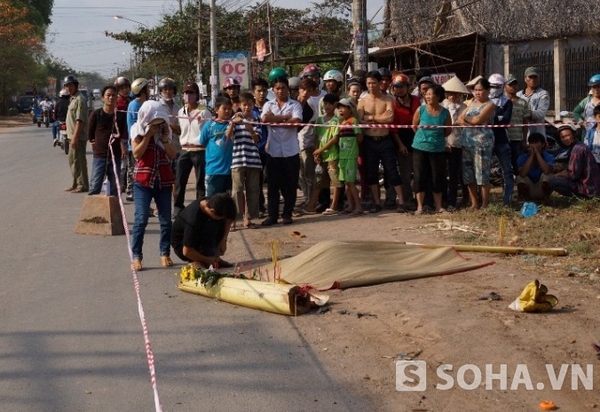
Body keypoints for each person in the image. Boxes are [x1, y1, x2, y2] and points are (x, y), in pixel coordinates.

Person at [129, 101, 178, 271]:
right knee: (141, 219)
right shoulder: (137, 129)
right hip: (143, 180)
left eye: (159, 120)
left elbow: (172, 155)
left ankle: (165, 253)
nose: (157, 124)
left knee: (166, 221)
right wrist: (148, 135)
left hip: (163, 180)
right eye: (153, 120)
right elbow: (136, 154)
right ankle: (136, 256)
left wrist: (164, 139)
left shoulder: (166, 131)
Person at [357, 70, 407, 213]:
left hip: (385, 140)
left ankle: (401, 202)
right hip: (369, 141)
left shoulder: (387, 99)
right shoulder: (362, 101)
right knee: (371, 173)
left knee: (392, 171)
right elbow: (360, 121)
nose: (371, 86)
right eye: (368, 83)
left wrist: (370, 117)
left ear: (380, 83)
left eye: (373, 82)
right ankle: (377, 202)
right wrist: (377, 117)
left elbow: (389, 119)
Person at [260, 76, 303, 226]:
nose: (280, 91)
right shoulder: (268, 105)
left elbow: (296, 122)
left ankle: (287, 214)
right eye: (277, 88)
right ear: (273, 90)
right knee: (272, 186)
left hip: (291, 151)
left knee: (290, 185)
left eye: (283, 88)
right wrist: (285, 118)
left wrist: (276, 120)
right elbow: (265, 120)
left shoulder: (295, 105)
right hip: (273, 151)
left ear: (288, 89)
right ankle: (272, 215)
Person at [457, 77, 496, 210]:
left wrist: (467, 119)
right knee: (468, 174)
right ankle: (474, 203)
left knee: (482, 174)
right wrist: (469, 119)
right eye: (476, 90)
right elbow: (459, 119)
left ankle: (485, 203)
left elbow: (477, 120)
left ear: (488, 90)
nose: (478, 93)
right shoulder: (472, 102)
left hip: (482, 143)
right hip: (467, 142)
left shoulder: (490, 105)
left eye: (481, 90)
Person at [412, 84, 451, 214]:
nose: (428, 96)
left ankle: (438, 206)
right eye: (426, 94)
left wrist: (436, 138)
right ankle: (419, 207)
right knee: (419, 176)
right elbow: (414, 125)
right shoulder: (420, 110)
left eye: (431, 94)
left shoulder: (445, 113)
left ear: (438, 96)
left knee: (437, 178)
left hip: (438, 149)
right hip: (419, 148)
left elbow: (447, 131)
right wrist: (423, 138)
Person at [174, 82, 212, 215]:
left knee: (200, 181)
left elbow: (209, 130)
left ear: (197, 95)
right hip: (185, 148)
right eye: (186, 93)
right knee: (180, 180)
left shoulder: (204, 111)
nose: (188, 96)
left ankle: (199, 208)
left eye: (191, 93)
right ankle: (178, 207)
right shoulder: (180, 111)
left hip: (199, 149)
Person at [170, 193, 236, 269]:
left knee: (219, 223)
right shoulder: (193, 219)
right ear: (212, 211)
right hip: (183, 245)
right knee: (212, 225)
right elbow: (186, 251)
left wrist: (223, 240)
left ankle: (212, 257)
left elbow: (228, 219)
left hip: (200, 234)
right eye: (221, 217)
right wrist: (207, 260)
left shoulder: (213, 202)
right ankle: (198, 260)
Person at [227, 92, 262, 229]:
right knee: (237, 190)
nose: (247, 107)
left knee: (253, 190)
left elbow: (258, 139)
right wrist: (232, 124)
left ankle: (248, 218)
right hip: (238, 159)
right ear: (240, 106)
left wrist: (251, 129)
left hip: (253, 159)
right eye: (244, 105)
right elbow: (228, 137)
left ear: (253, 105)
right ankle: (234, 218)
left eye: (249, 105)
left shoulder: (256, 119)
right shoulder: (234, 118)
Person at [302, 93, 341, 215]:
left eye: (330, 104)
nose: (327, 106)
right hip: (320, 156)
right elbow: (316, 137)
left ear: (335, 105)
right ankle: (311, 205)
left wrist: (320, 150)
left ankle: (334, 205)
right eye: (325, 103)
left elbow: (334, 139)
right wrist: (317, 152)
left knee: (335, 181)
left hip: (332, 155)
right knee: (318, 180)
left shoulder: (336, 120)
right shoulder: (319, 119)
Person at [391, 73, 420, 209]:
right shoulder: (393, 104)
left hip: (418, 139)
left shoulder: (416, 101)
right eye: (397, 87)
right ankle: (408, 200)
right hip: (402, 140)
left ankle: (421, 200)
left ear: (408, 87)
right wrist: (400, 145)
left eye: (402, 86)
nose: (399, 89)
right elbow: (394, 129)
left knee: (419, 172)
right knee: (405, 174)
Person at [547, 124, 600, 198]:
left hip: (588, 188)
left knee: (553, 181)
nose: (565, 139)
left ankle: (582, 197)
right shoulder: (577, 146)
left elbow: (573, 175)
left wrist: (557, 175)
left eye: (567, 135)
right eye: (562, 137)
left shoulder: (577, 150)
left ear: (574, 135)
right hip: (591, 185)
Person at [87, 85, 122, 196]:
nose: (111, 98)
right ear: (103, 98)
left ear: (117, 97)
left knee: (114, 189)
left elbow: (123, 134)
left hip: (115, 156)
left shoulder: (120, 116)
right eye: (108, 95)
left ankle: (114, 212)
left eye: (113, 95)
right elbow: (90, 133)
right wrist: (93, 142)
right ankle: (93, 213)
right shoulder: (96, 114)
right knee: (95, 186)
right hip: (100, 156)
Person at [441, 76, 468, 210]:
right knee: (441, 173)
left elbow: (463, 124)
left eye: (454, 93)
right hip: (443, 142)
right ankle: (443, 199)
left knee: (455, 173)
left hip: (458, 142)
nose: (451, 96)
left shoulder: (463, 107)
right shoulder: (442, 106)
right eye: (449, 93)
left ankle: (453, 201)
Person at [200, 96, 234, 196]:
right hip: (213, 170)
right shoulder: (209, 125)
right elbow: (203, 141)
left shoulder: (233, 124)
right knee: (212, 201)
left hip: (230, 171)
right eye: (224, 108)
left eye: (229, 108)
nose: (227, 111)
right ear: (216, 110)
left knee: (227, 202)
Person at [488, 73, 514, 206]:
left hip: (501, 140)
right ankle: (485, 200)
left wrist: (493, 118)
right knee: (484, 170)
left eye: (497, 86)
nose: (494, 89)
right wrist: (497, 117)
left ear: (503, 86)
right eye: (492, 86)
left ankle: (507, 200)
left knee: (507, 171)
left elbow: (506, 119)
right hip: (486, 139)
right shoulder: (485, 100)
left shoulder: (507, 102)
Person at [336, 98, 364, 215]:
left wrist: (354, 151)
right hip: (342, 156)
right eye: (339, 108)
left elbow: (359, 137)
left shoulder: (354, 121)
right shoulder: (340, 123)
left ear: (350, 109)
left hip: (350, 156)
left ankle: (358, 207)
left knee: (351, 182)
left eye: (343, 107)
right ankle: (351, 206)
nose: (340, 110)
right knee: (347, 183)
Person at [63, 75, 89, 193]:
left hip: (77, 136)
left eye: (71, 85)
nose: (69, 88)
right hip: (71, 136)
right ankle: (75, 183)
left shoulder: (80, 99)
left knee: (79, 160)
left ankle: (82, 185)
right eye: (67, 86)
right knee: (73, 161)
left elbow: (80, 120)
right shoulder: (72, 99)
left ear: (76, 86)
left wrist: (75, 137)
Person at [127, 78, 151, 201]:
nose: (149, 90)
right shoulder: (134, 105)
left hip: (144, 144)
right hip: (136, 144)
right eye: (147, 88)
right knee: (135, 171)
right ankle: (134, 194)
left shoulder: (144, 103)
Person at [296, 78, 318, 208]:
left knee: (308, 173)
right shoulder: (290, 102)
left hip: (305, 143)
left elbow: (297, 127)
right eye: (303, 89)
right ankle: (306, 197)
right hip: (291, 144)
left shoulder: (309, 111)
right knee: (298, 174)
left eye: (308, 90)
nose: (305, 92)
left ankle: (310, 200)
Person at [516, 132, 554, 202]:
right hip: (529, 187)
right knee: (519, 178)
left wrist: (537, 153)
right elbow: (523, 173)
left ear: (542, 145)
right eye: (532, 143)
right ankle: (525, 198)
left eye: (536, 142)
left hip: (541, 187)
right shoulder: (522, 157)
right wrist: (532, 156)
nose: (533, 145)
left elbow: (546, 171)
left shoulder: (549, 156)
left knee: (549, 176)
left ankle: (545, 198)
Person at [158, 77, 182, 188]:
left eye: (170, 89)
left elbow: (181, 128)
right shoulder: (157, 107)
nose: (168, 92)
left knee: (177, 180)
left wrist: (172, 126)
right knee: (163, 180)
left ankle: (176, 204)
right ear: (161, 91)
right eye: (165, 89)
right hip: (162, 148)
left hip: (176, 147)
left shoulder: (179, 108)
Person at [504, 74, 531, 172]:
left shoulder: (523, 102)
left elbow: (525, 122)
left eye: (515, 84)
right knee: (505, 164)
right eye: (510, 85)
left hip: (517, 139)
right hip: (504, 139)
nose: (513, 87)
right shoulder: (501, 102)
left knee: (518, 164)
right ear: (504, 86)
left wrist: (524, 140)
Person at [251, 78, 270, 217]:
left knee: (273, 179)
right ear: (253, 92)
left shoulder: (272, 106)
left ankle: (274, 207)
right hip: (254, 149)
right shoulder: (248, 109)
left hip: (272, 149)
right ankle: (260, 206)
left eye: (264, 90)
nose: (262, 94)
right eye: (259, 91)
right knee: (256, 181)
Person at [516, 67, 550, 136]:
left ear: (538, 79)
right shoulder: (518, 95)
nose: (532, 80)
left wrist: (526, 113)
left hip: (537, 133)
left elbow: (541, 114)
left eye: (535, 77)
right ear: (525, 79)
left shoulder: (543, 94)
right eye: (530, 77)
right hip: (520, 134)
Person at [114, 77, 132, 196]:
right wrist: (121, 143)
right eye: (122, 88)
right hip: (121, 138)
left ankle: (129, 188)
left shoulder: (132, 101)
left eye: (126, 87)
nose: (125, 90)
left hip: (132, 138)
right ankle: (119, 187)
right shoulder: (117, 103)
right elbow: (116, 125)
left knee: (131, 165)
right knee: (122, 166)